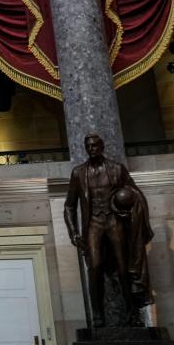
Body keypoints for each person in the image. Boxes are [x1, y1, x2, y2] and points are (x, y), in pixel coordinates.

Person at [63, 133, 154, 327]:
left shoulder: (116, 169)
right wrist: (73, 233)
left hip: (114, 221)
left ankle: (133, 314)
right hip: (93, 223)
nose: (92, 149)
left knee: (123, 268)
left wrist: (127, 207)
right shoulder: (78, 173)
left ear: (102, 146)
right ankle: (98, 315)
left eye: (95, 145)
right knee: (94, 267)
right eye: (88, 146)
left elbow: (135, 193)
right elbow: (69, 205)